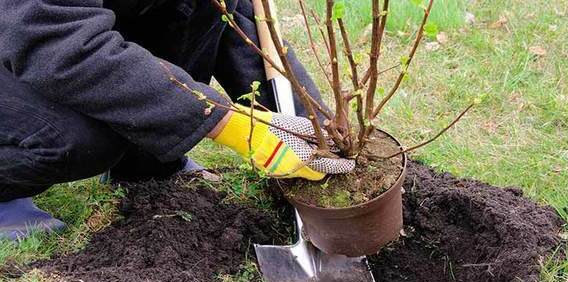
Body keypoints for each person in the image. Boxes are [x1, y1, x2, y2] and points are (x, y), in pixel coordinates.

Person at [0, 0, 355, 241]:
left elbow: (235, 23)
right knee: (81, 140)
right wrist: (223, 122)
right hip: (28, 32)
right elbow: (51, 35)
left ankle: (146, 161)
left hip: (48, 31)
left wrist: (310, 124)